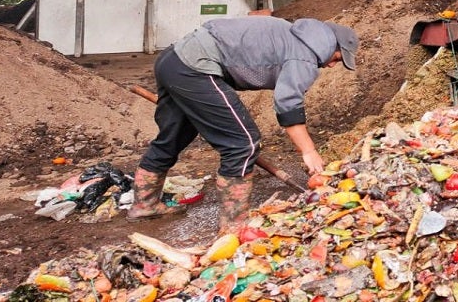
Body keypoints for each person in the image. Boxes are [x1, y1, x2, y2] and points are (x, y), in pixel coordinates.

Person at [127, 16, 358, 234]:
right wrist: (309, 152)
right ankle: (234, 228)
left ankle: (144, 205)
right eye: (337, 58)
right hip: (196, 67)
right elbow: (288, 104)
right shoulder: (306, 55)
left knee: (174, 137)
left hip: (173, 60)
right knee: (243, 144)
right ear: (330, 44)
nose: (331, 66)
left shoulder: (293, 36)